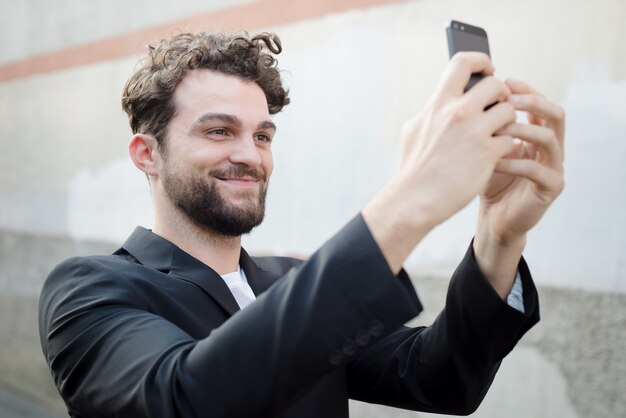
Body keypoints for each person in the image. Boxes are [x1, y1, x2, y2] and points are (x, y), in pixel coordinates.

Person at [39, 31, 564, 418]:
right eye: (220, 131)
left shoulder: (292, 281)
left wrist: (500, 234)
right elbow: (184, 400)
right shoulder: (89, 288)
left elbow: (442, 381)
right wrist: (411, 199)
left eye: (263, 136)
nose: (249, 155)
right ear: (146, 154)